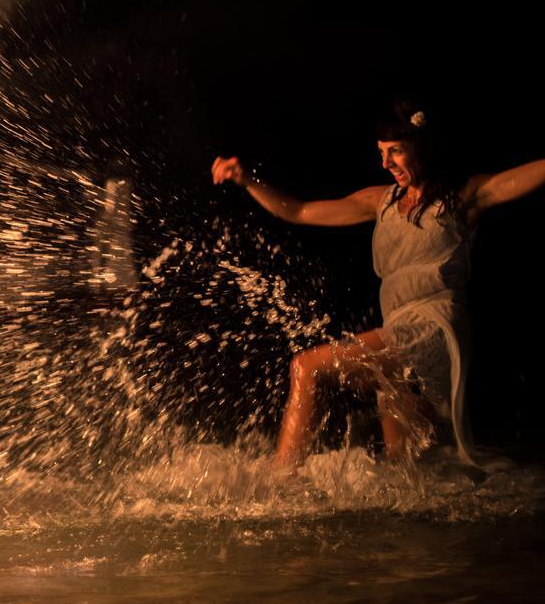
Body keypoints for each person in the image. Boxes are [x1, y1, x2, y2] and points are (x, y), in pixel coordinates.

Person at [211, 101, 543, 472]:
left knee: (307, 367)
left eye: (396, 151)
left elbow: (525, 177)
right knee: (406, 470)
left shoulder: (461, 197)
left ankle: (281, 479)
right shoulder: (379, 201)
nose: (386, 164)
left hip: (432, 326)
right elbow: (299, 211)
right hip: (396, 329)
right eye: (382, 153)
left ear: (422, 147)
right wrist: (247, 180)